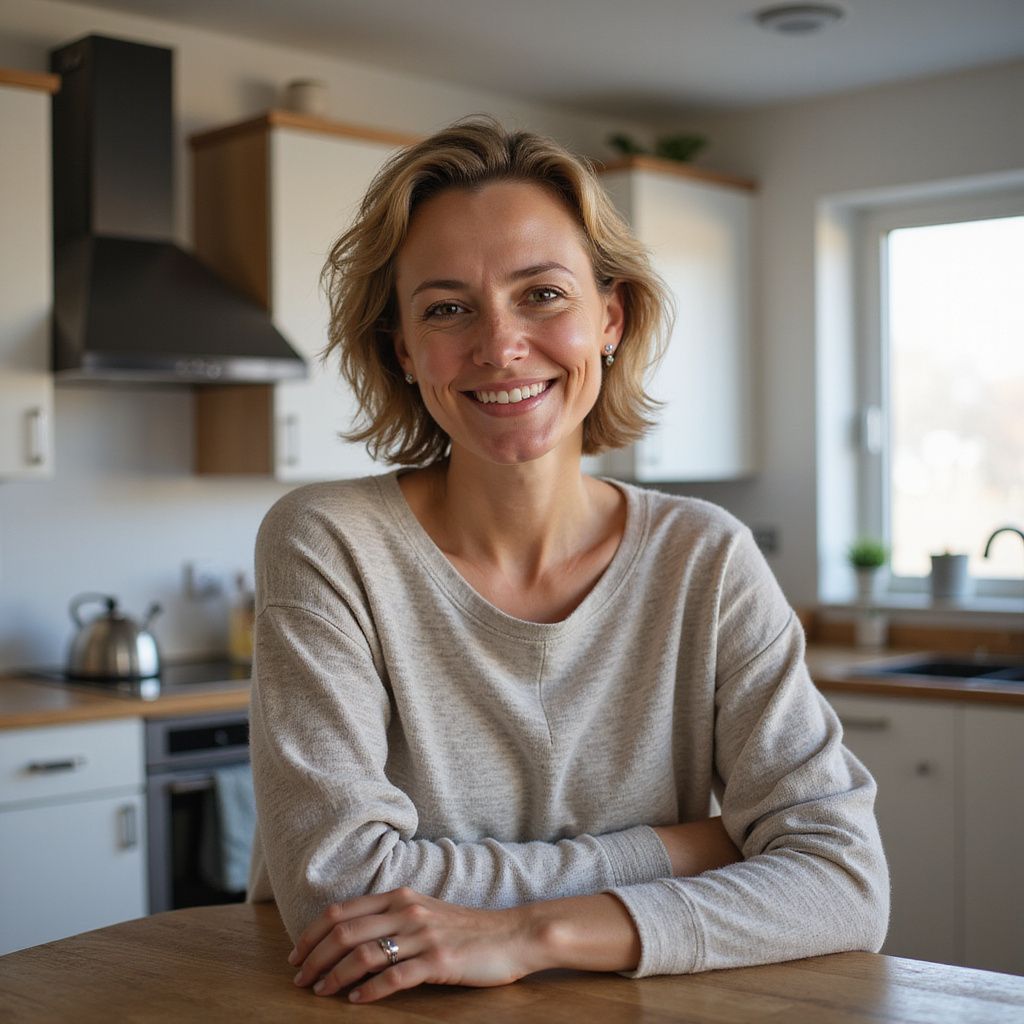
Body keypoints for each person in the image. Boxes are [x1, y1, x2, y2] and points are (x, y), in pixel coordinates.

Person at [247, 116, 888, 1004]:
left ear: (611, 317)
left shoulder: (705, 557)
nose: (499, 345)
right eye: (446, 308)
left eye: (542, 294)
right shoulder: (328, 542)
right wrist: (688, 847)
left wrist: (528, 932)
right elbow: (342, 887)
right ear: (403, 348)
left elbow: (847, 884)